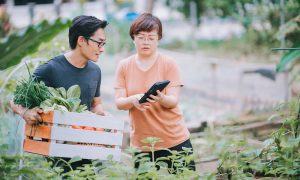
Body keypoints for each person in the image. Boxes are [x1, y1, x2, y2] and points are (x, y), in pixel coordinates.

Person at [10, 15, 108, 171]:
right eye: (99, 43)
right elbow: (14, 100)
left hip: (87, 148)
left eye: (104, 44)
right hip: (56, 154)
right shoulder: (50, 69)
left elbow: (96, 103)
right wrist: (25, 112)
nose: (102, 49)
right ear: (81, 40)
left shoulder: (95, 71)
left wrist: (102, 116)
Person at [114, 13, 195, 171]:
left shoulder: (168, 63)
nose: (146, 42)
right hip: (142, 145)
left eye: (151, 38)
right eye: (141, 37)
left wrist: (161, 98)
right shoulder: (124, 66)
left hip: (175, 139)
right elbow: (119, 103)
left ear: (158, 39)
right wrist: (132, 100)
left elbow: (173, 101)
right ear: (133, 38)